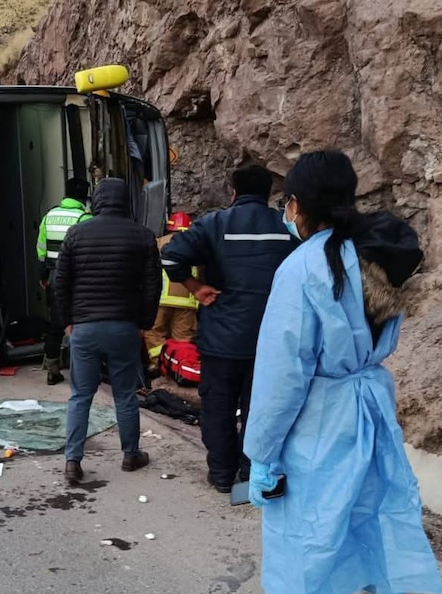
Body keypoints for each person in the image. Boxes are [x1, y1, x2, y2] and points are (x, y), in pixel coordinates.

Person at [244, 149, 442, 594]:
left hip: (318, 426)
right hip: (365, 416)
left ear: (296, 205)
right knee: (347, 546)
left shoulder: (305, 267)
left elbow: (282, 375)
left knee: (314, 560)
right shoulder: (372, 258)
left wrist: (261, 454)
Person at [161, 165, 297, 493]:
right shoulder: (287, 227)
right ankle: (252, 474)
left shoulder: (215, 223)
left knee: (218, 406)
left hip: (221, 338)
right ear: (269, 194)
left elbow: (170, 257)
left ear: (233, 191)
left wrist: (197, 288)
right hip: (270, 339)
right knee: (259, 408)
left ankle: (222, 475)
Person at [54, 177, 161, 483]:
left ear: (96, 200)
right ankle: (130, 455)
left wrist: (68, 321)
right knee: (125, 394)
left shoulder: (76, 234)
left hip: (84, 327)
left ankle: (73, 461)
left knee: (80, 396)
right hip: (123, 327)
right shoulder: (142, 235)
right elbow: (153, 285)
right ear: (127, 200)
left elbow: (62, 283)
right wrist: (144, 324)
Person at [36, 177, 92, 386]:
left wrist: (43, 276)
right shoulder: (85, 219)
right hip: (76, 280)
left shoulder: (49, 216)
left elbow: (41, 249)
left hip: (53, 277)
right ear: (84, 197)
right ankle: (81, 371)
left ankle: (52, 369)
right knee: (79, 324)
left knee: (55, 324)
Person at [143, 211, 199, 366]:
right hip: (187, 303)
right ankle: (181, 369)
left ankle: (160, 365)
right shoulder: (196, 246)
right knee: (183, 340)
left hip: (160, 300)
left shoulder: (157, 243)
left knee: (154, 333)